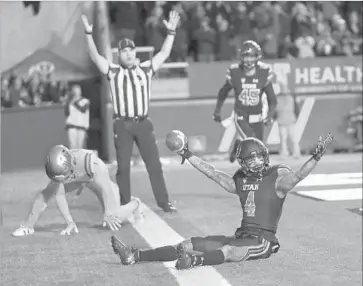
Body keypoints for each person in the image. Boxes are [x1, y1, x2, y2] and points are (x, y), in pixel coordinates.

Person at [111, 130, 333, 270]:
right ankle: (134, 255)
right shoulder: (241, 180)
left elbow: (298, 176)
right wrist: (188, 155)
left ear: (265, 157)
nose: (255, 162)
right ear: (242, 162)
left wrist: (315, 157)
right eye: (250, 159)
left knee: (227, 252)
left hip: (262, 242)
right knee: (188, 244)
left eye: (257, 157)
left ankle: (193, 262)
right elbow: (214, 173)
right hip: (241, 236)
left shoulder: (277, 178)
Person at [81, 12, 179, 212]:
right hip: (123, 124)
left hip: (143, 123)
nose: (128, 54)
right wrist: (88, 34)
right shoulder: (114, 71)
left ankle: (164, 202)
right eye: (124, 51)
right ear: (119, 54)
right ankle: (124, 203)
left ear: (135, 53)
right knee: (123, 167)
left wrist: (171, 31)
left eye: (131, 50)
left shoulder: (146, 69)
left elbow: (164, 53)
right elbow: (95, 57)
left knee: (154, 165)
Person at [12, 145, 143, 237]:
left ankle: (136, 203)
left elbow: (106, 188)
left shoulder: (91, 163)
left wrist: (108, 212)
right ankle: (28, 227)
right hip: (81, 179)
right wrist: (69, 222)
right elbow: (60, 195)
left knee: (115, 217)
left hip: (97, 180)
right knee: (46, 192)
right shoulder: (59, 169)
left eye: (65, 176)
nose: (62, 180)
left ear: (71, 165)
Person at [213, 40, 277, 163]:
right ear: (241, 56)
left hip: (257, 115)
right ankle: (252, 172)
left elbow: (272, 99)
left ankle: (237, 145)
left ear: (257, 56)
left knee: (259, 146)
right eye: (246, 56)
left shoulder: (264, 72)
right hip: (241, 114)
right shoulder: (235, 72)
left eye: (251, 56)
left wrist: (270, 115)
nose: (248, 59)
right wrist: (217, 110)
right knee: (253, 145)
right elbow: (223, 92)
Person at [65, 85, 90, 149]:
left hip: (81, 126)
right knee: (72, 145)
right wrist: (68, 102)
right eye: (75, 91)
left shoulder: (85, 101)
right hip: (71, 125)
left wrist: (74, 103)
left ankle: (78, 159)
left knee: (79, 146)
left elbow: (83, 110)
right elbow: (67, 113)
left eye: (78, 90)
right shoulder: (70, 101)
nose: (76, 92)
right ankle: (72, 158)